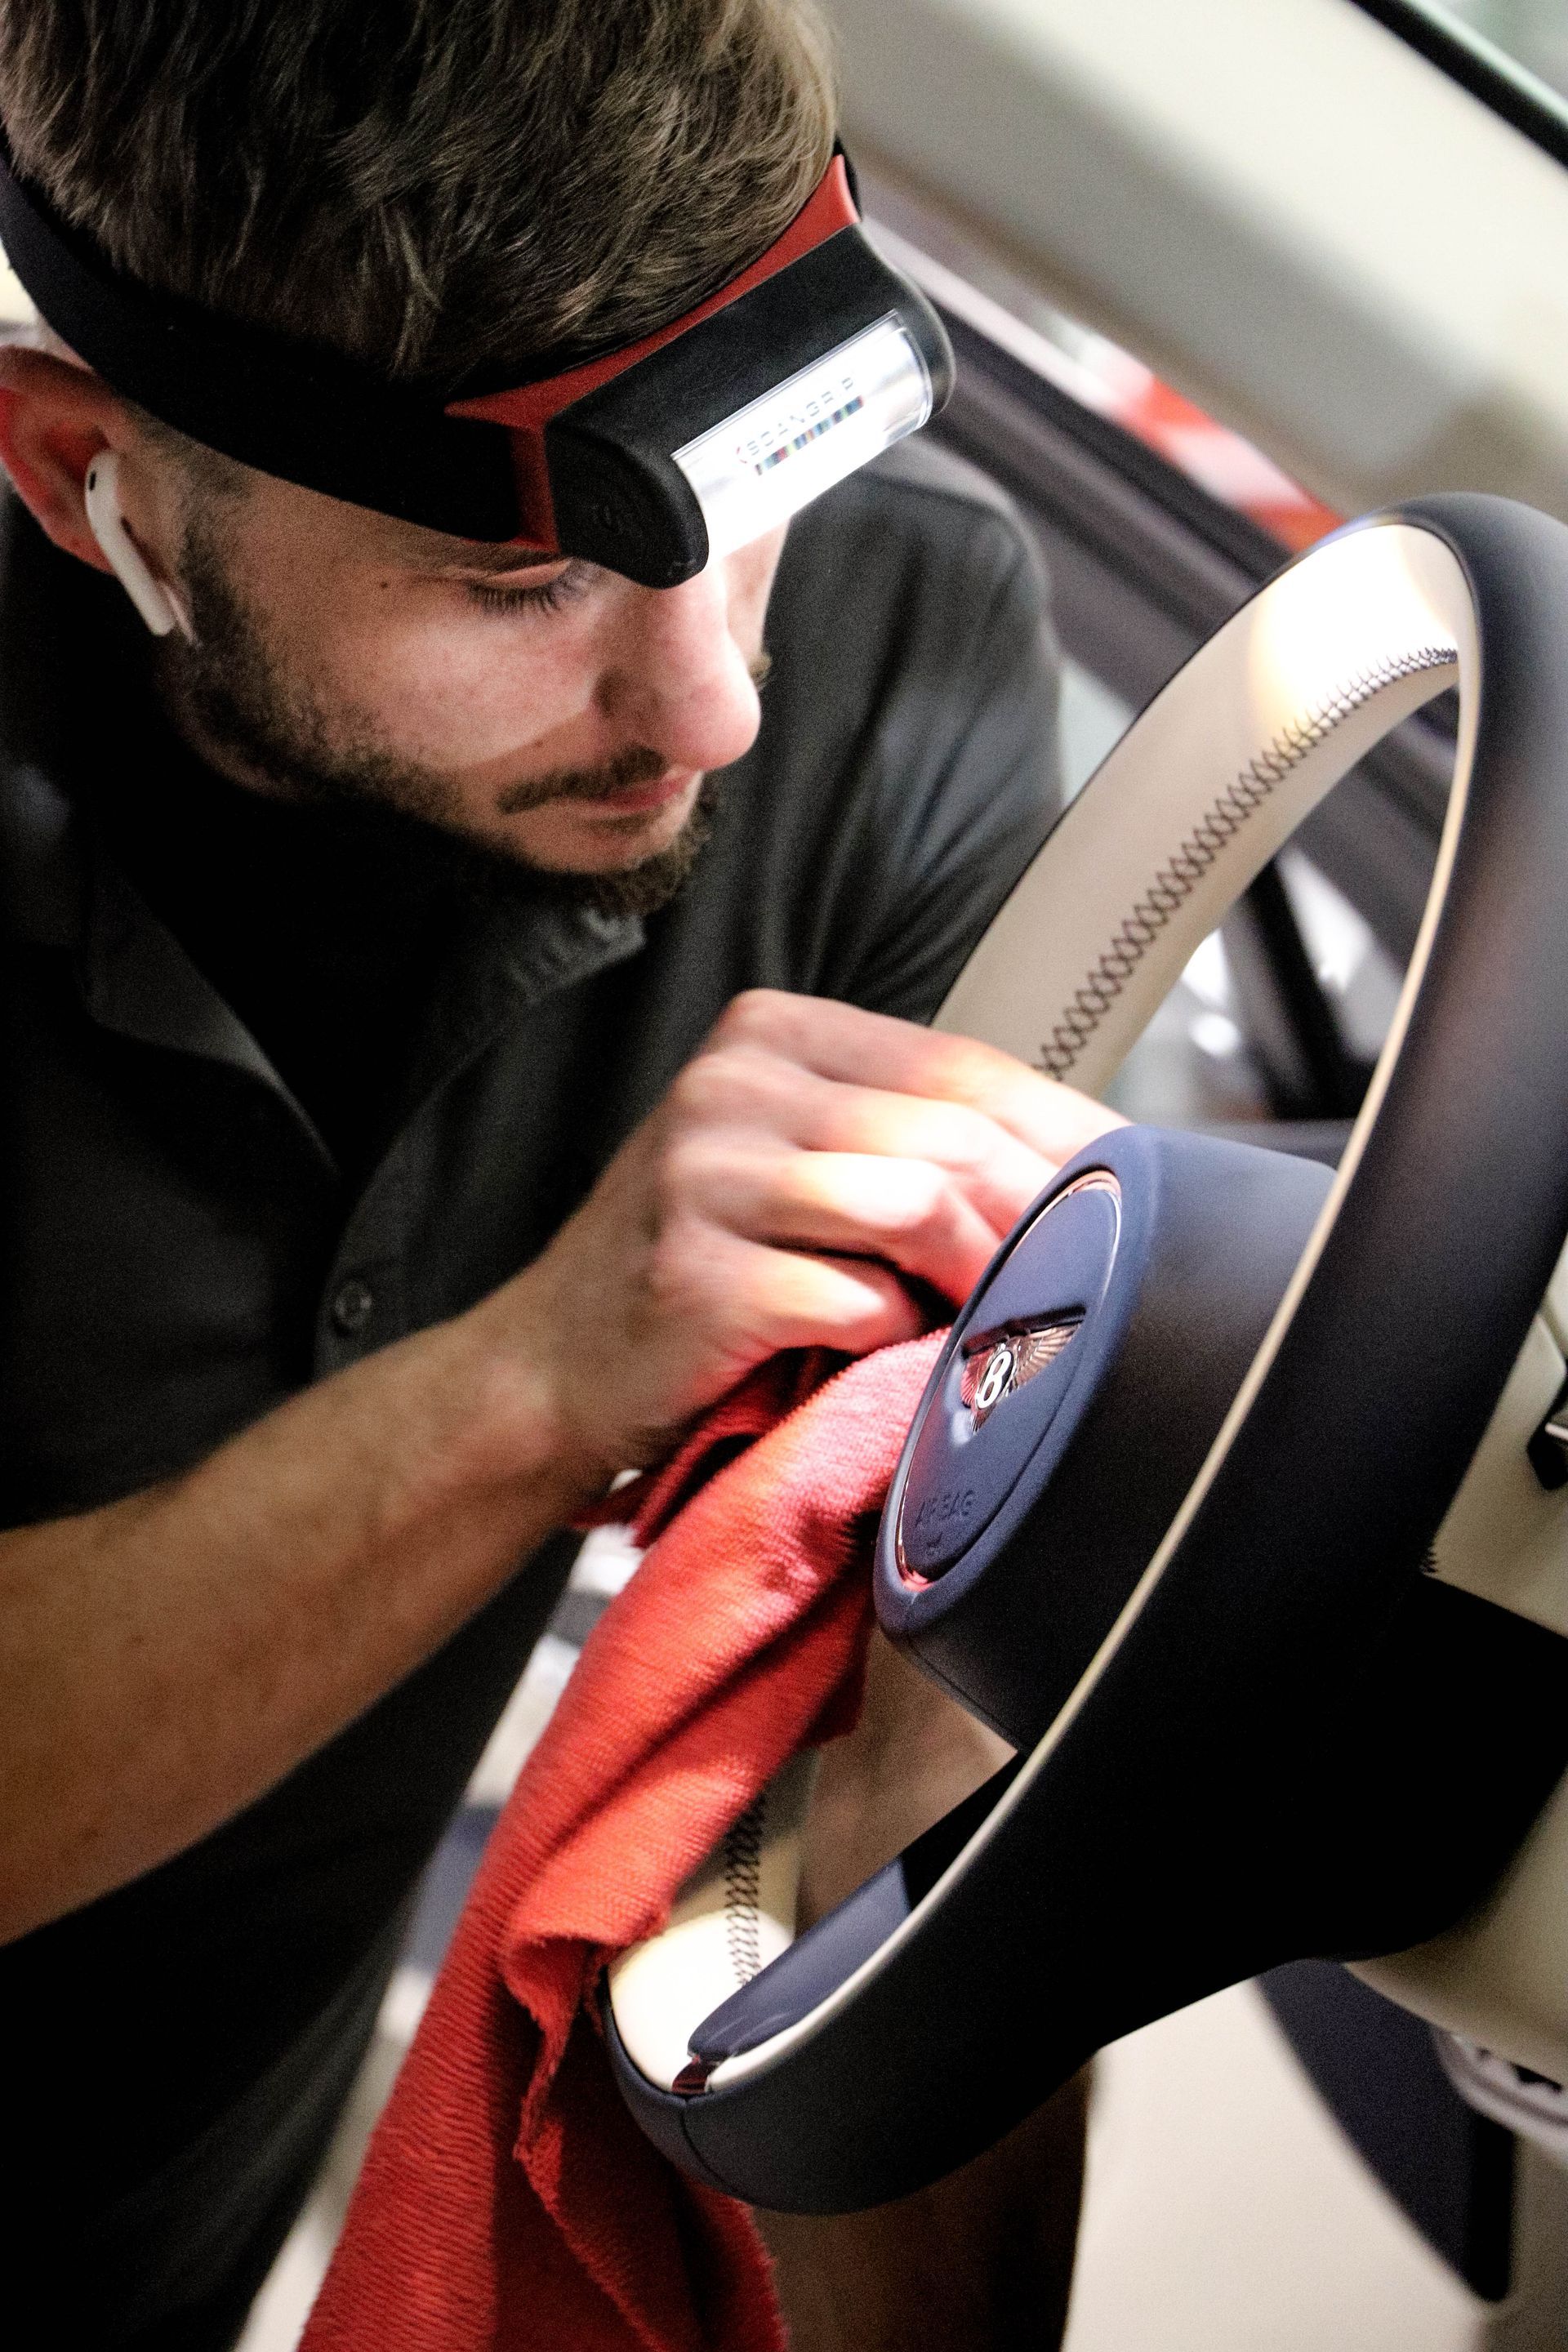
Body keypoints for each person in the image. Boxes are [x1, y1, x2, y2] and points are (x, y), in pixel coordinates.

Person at [0, 2, 1116, 2343]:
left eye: (762, 484)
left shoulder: (906, 641)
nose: (711, 705)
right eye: (523, 592)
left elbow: (916, 1697)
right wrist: (534, 1387)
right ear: (83, 475)